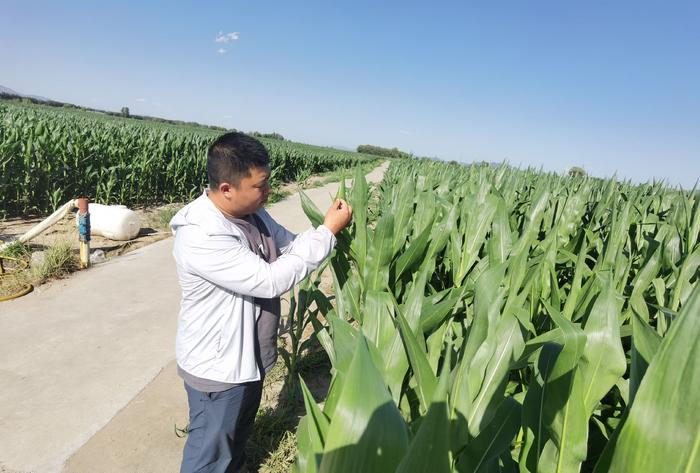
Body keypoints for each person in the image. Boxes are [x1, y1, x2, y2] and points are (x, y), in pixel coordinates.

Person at [170, 131, 353, 473]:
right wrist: (327, 232)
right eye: (261, 185)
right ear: (227, 188)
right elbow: (269, 281)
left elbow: (291, 246)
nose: (269, 192)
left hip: (247, 356)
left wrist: (325, 234)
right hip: (218, 364)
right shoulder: (202, 234)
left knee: (236, 436)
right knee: (210, 449)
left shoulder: (253, 215)